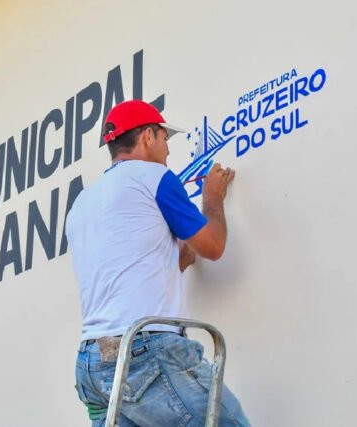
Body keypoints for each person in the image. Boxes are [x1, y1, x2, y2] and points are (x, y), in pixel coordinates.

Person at [66, 100, 250, 426]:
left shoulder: (82, 203)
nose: (168, 150)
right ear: (148, 136)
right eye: (165, 139)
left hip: (95, 363)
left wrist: (181, 253)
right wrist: (212, 198)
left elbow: (138, 266)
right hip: (144, 351)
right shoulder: (154, 176)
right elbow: (213, 246)